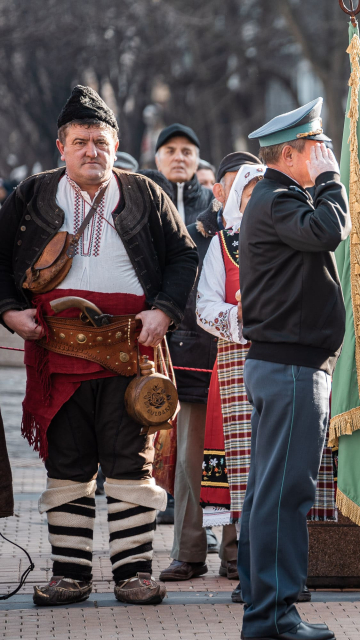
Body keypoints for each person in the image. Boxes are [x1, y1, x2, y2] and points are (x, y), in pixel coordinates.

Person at [0, 85, 198, 605]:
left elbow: (183, 257)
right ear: (61, 146)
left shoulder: (145, 193)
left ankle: (134, 574)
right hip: (55, 351)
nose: (93, 151)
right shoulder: (33, 195)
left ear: (115, 145)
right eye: (82, 141)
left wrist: (163, 310)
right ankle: (71, 575)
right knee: (67, 460)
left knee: (131, 459)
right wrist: (8, 311)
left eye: (102, 142)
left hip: (131, 350)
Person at [196, 153, 338, 605]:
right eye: (248, 190)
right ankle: (271, 596)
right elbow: (203, 306)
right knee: (274, 484)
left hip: (267, 359)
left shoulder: (274, 222)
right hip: (270, 360)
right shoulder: (259, 225)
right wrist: (243, 321)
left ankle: (266, 588)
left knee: (269, 482)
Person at [238, 97, 348, 640]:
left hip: (284, 365)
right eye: (318, 149)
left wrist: (321, 179)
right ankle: (273, 615)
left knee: (270, 490)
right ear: (291, 153)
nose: (326, 156)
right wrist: (332, 181)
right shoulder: (279, 198)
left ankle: (265, 610)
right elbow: (330, 230)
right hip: (289, 369)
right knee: (284, 493)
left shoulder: (278, 198)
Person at [157, 151, 260, 585]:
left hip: (249, 366)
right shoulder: (195, 235)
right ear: (218, 190)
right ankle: (189, 551)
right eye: (233, 184)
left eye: (250, 186)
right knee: (192, 462)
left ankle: (237, 554)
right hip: (195, 362)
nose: (241, 193)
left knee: (242, 460)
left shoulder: (270, 233)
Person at [141, 123, 214, 226]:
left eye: (186, 152)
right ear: (157, 161)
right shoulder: (143, 201)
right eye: (170, 151)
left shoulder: (214, 203)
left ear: (197, 162)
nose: (179, 158)